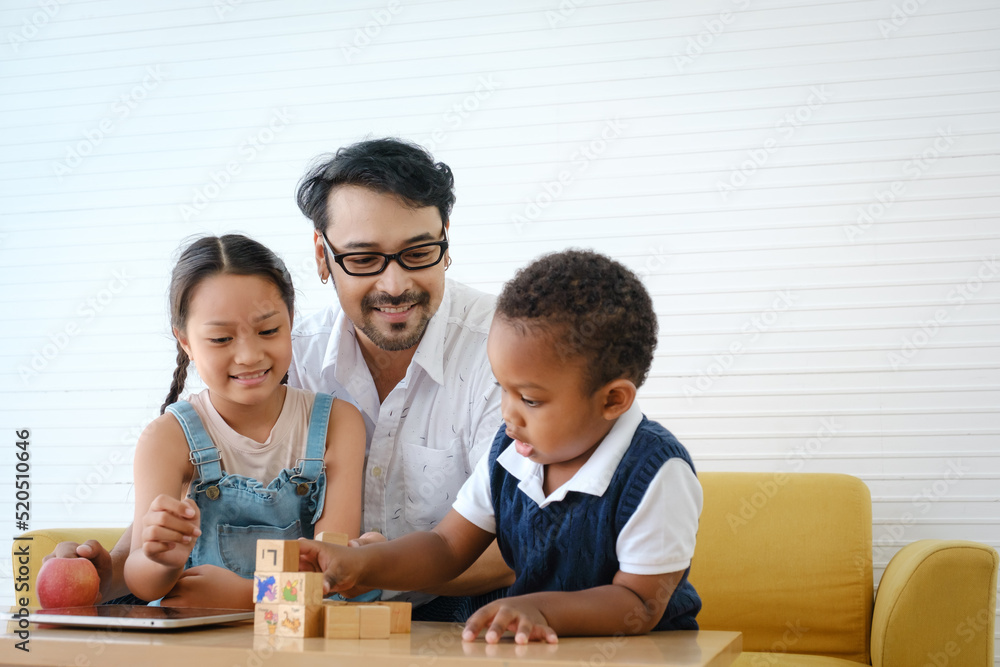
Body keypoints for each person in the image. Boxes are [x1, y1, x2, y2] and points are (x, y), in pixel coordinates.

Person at [48, 139, 512, 616]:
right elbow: (170, 514)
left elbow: (515, 545)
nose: (394, 285)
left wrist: (348, 576)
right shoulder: (291, 354)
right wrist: (111, 572)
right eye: (363, 259)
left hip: (453, 604)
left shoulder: (502, 353)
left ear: (446, 240)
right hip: (297, 613)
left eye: (418, 253)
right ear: (321, 255)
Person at [297, 249, 703, 643]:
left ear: (613, 400)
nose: (508, 415)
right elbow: (446, 547)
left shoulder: (655, 472)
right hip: (541, 647)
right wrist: (363, 564)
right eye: (502, 389)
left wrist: (541, 611)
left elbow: (641, 604)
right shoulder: (511, 455)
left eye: (529, 400)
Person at [122, 234, 366, 608]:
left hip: (304, 643)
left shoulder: (338, 423)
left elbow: (333, 573)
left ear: (291, 320)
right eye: (221, 339)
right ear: (185, 341)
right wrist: (161, 560)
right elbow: (140, 580)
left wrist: (247, 597)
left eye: (269, 331)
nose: (249, 355)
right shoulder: (167, 439)